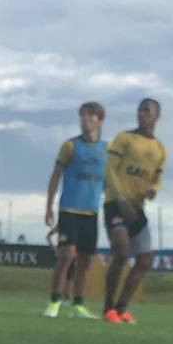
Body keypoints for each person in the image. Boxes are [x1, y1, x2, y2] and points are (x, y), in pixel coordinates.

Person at [101, 98, 166, 323]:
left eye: (147, 111)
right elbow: (109, 169)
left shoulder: (159, 149)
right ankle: (108, 309)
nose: (141, 114)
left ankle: (121, 308)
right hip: (115, 204)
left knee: (146, 258)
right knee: (120, 252)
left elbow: (156, 179)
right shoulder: (124, 138)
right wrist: (119, 198)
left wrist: (153, 191)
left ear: (157, 117)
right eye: (139, 110)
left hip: (137, 208)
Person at [42, 101, 107, 318]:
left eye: (90, 115)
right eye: (82, 115)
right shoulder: (70, 146)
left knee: (86, 260)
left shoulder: (106, 149)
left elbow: (108, 181)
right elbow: (55, 175)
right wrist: (49, 206)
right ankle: (54, 301)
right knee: (66, 255)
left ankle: (78, 304)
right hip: (70, 209)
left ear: (100, 120)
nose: (85, 119)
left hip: (91, 211)